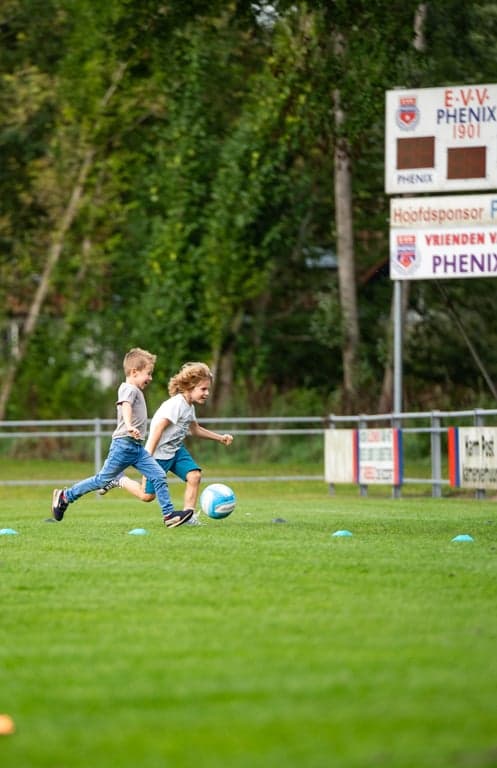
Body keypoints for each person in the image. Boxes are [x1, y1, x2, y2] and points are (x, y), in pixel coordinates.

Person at [51, 348, 194, 528]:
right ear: (134, 372)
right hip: (123, 445)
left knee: (158, 475)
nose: (150, 378)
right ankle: (65, 497)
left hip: (137, 448)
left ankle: (169, 515)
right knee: (101, 480)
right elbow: (125, 405)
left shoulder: (136, 390)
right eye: (148, 373)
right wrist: (129, 425)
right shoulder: (128, 389)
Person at [98, 361, 233, 522]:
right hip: (158, 455)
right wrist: (147, 458)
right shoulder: (176, 405)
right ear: (190, 386)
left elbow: (195, 429)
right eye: (203, 389)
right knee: (147, 496)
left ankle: (189, 516)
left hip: (176, 451)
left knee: (194, 476)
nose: (207, 393)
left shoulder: (189, 406)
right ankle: (119, 479)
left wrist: (220, 438)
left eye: (208, 389)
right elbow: (158, 429)